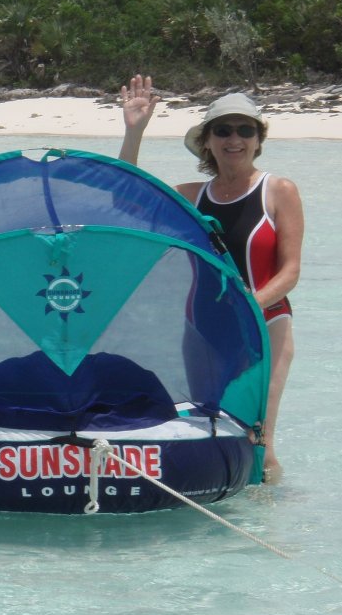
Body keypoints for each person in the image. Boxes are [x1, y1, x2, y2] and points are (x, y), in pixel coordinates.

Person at [119, 75, 304, 483]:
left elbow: (290, 271)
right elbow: (126, 199)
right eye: (223, 130)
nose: (233, 138)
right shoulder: (191, 196)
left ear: (258, 139)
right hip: (204, 325)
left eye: (245, 130)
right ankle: (211, 520)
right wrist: (135, 131)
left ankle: (268, 526)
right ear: (208, 141)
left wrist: (247, 308)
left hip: (267, 322)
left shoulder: (279, 190)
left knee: (260, 441)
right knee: (209, 428)